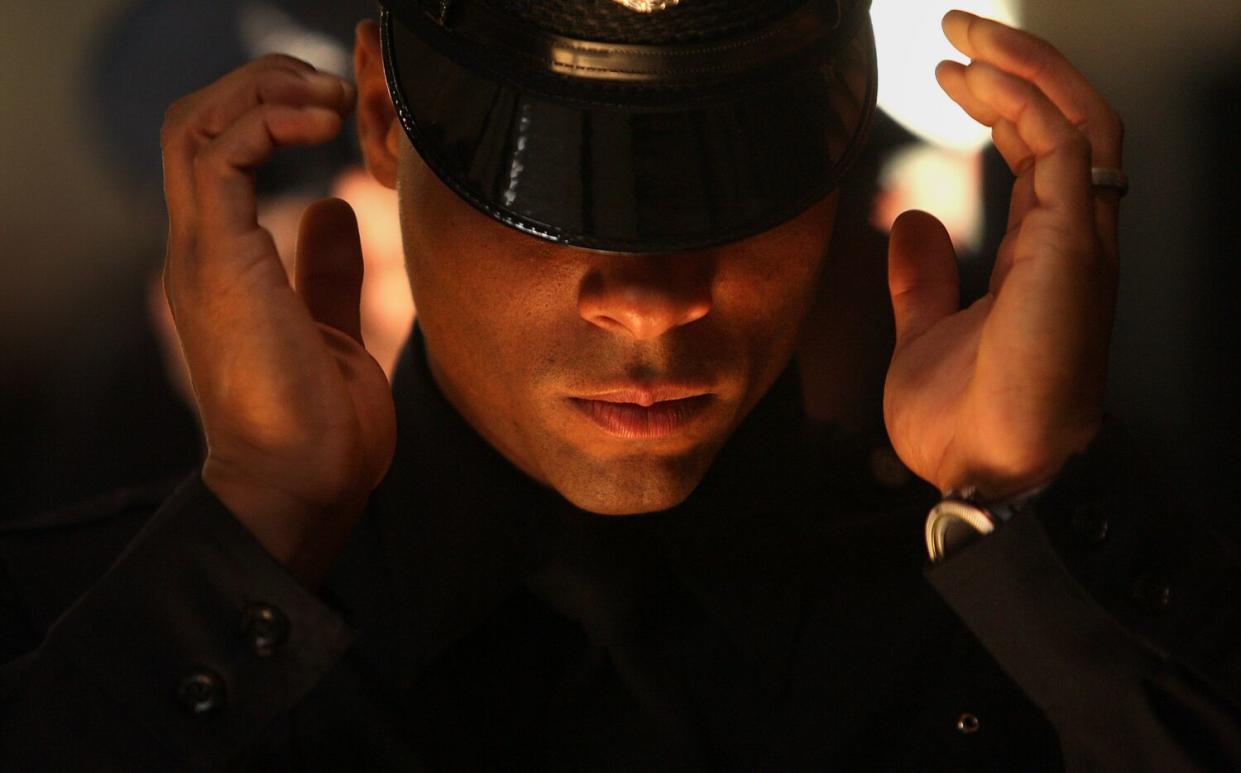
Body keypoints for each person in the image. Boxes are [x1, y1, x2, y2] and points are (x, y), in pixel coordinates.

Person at [2, 0, 1239, 769]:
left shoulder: (1031, 628)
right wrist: (251, 533)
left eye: (728, 184)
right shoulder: (80, 636)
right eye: (546, 192)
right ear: (384, 114)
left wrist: (1032, 503)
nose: (648, 296)